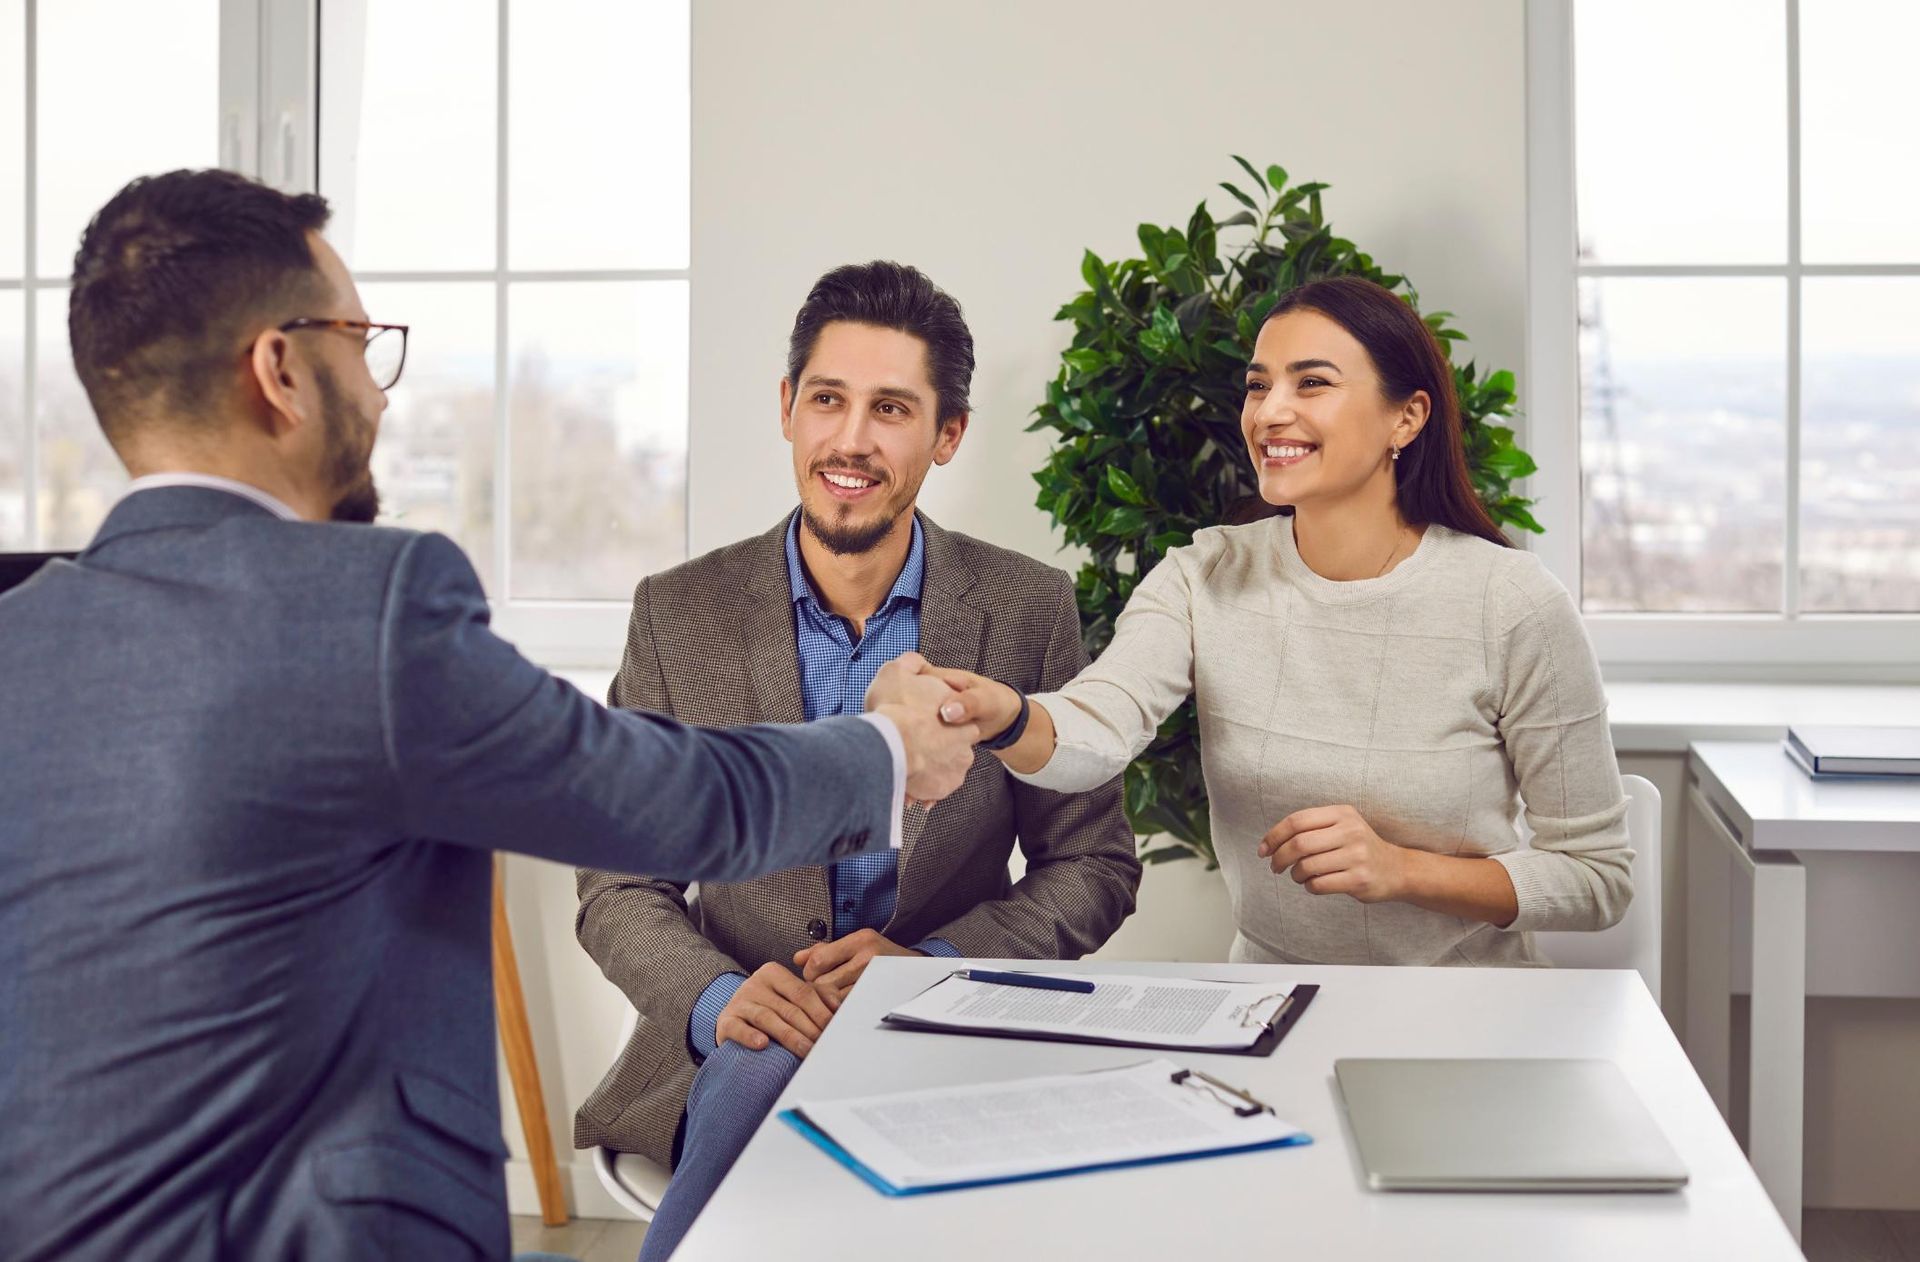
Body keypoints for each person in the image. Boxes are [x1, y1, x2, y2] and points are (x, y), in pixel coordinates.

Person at [0, 170, 978, 1262]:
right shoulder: (366, 608)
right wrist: (889, 748)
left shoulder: (20, 635)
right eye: (361, 345)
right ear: (280, 369)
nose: (376, 391)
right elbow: (664, 797)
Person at [573, 261, 1140, 1260]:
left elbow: (1092, 863)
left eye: (891, 408)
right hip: (729, 1034)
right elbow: (620, 876)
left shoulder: (1027, 606)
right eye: (828, 399)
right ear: (788, 408)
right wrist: (719, 997)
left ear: (947, 434)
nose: (851, 439)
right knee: (758, 1060)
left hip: (945, 1030)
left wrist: (934, 970)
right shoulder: (678, 609)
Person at [937, 275, 1633, 969]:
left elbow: (1598, 878)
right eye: (1258, 385)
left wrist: (1402, 871)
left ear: (1407, 417)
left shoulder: (1510, 603)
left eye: (1312, 384)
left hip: (1459, 1018)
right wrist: (1003, 715)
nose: (1270, 412)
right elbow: (1100, 725)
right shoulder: (1202, 574)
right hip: (1267, 1012)